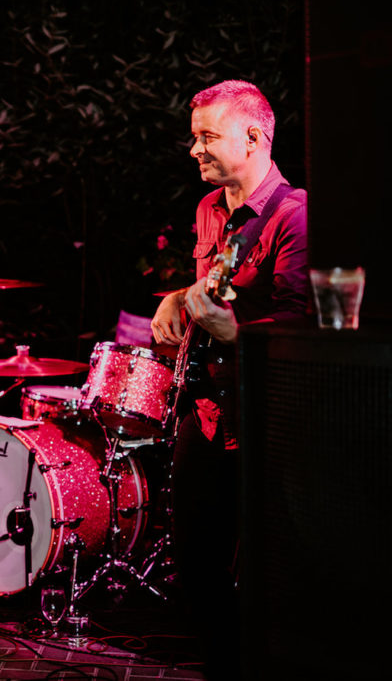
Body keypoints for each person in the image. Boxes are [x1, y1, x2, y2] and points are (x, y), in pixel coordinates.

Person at [150, 80, 309, 679]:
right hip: (209, 409)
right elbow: (213, 287)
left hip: (271, 419)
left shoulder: (294, 216)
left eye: (206, 137)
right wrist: (176, 298)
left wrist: (228, 331)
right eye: (195, 138)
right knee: (195, 560)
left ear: (252, 137)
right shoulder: (209, 209)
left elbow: (298, 341)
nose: (194, 150)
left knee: (275, 568)